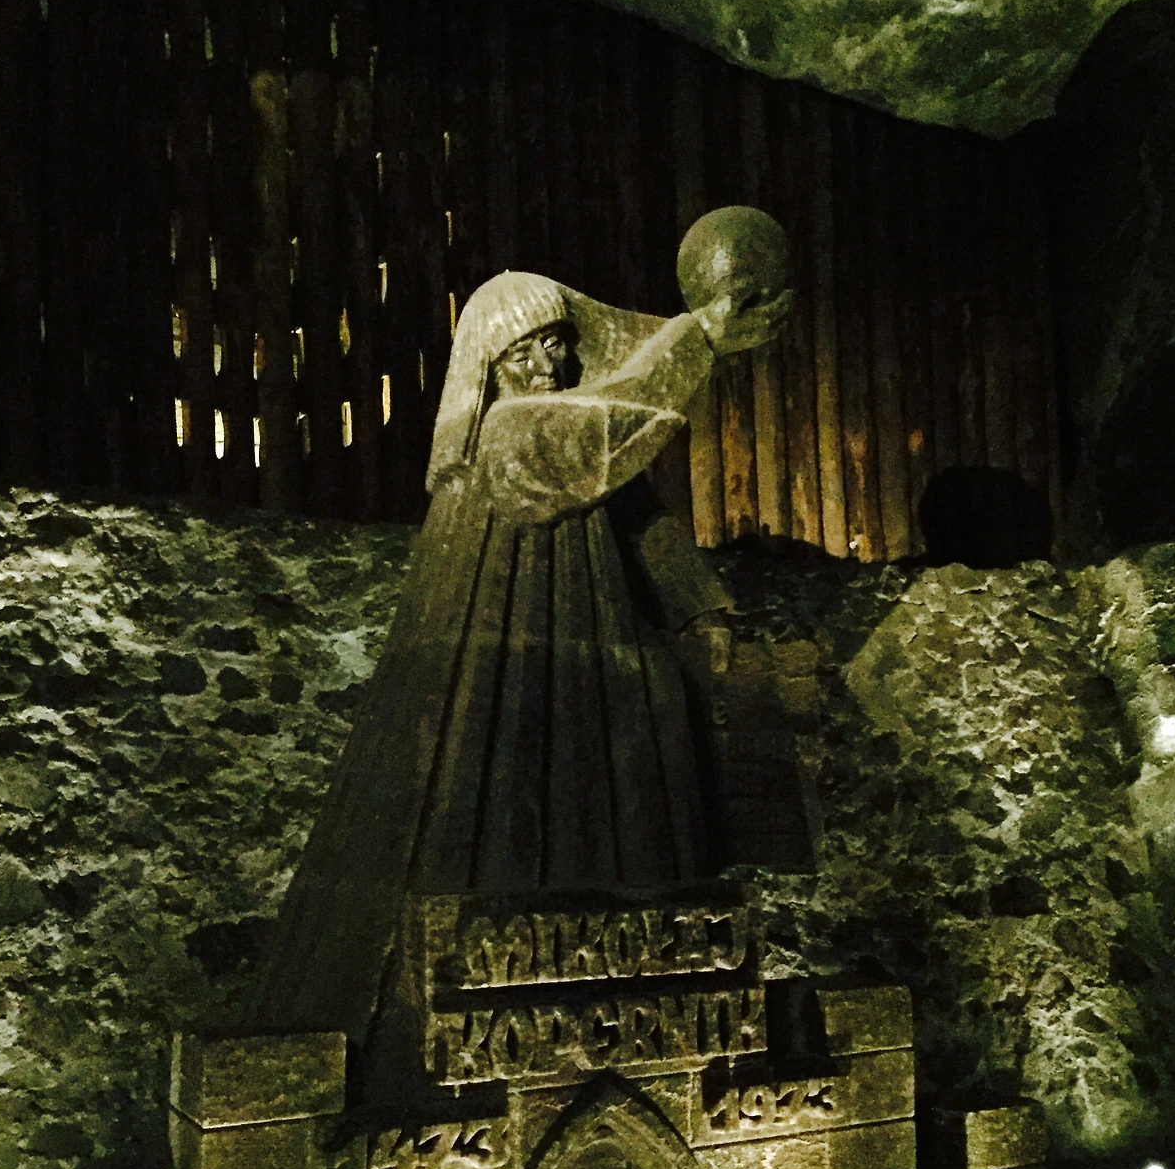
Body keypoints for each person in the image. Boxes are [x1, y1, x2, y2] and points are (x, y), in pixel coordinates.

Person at [254, 209, 791, 1098]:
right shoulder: (511, 438)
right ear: (490, 365)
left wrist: (703, 609)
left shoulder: (573, 439)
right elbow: (590, 436)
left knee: (636, 763)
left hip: (606, 644)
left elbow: (641, 517)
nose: (547, 364)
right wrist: (698, 336)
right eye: (526, 351)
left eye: (556, 346)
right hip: (507, 651)